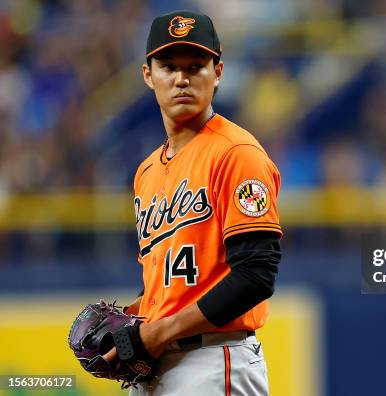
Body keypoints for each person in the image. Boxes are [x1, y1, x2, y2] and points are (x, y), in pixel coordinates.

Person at [104, 10, 283, 395]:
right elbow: (170, 282)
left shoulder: (237, 153)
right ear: (148, 75)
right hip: (156, 367)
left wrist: (157, 332)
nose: (182, 78)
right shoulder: (147, 171)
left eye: (196, 66)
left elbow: (255, 274)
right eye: (168, 66)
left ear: (218, 73)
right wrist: (131, 322)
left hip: (216, 359)